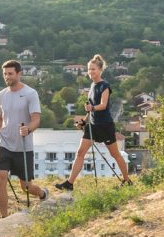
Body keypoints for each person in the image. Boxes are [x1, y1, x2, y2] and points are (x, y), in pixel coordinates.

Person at [55, 54, 132, 191]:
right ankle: (69, 183)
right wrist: (83, 122)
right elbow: (90, 109)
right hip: (93, 126)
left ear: (100, 70)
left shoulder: (105, 86)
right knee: (80, 153)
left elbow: (102, 105)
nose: (90, 72)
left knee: (115, 154)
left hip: (105, 126)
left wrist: (92, 108)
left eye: (93, 69)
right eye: (89, 69)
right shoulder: (92, 86)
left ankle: (127, 180)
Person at [0, 60, 47, 217]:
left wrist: (28, 128)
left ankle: (42, 194)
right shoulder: (1, 95)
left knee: (26, 187)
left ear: (19, 73)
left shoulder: (30, 94)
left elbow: (36, 119)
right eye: (5, 74)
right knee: (0, 176)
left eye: (10, 74)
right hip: (4, 144)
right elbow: (0, 118)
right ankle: (4, 218)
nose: (7, 77)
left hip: (23, 147)